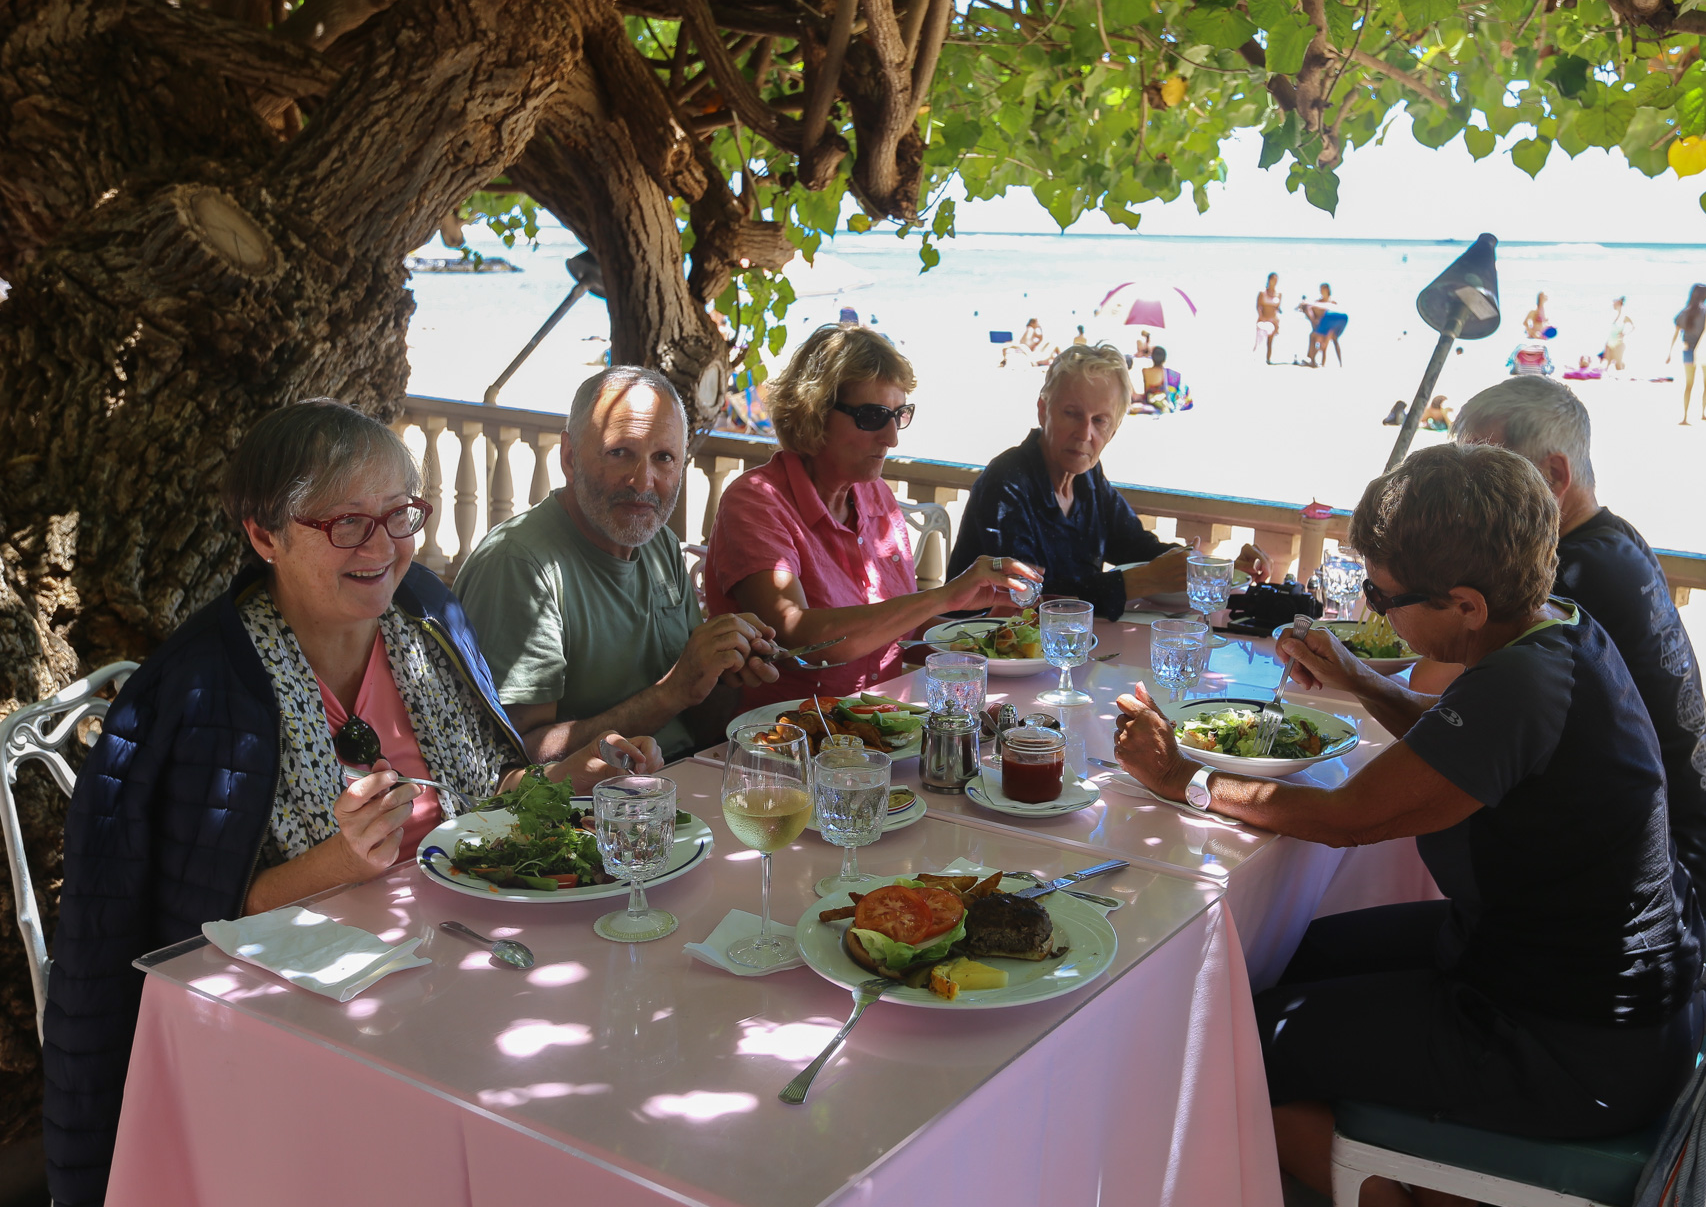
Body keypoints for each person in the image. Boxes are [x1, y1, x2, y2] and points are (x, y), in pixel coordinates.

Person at [42, 400, 660, 1206]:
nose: (384, 549)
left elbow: (482, 802)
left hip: (473, 972)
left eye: (400, 516)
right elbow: (199, 930)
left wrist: (571, 775)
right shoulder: (200, 695)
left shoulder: (426, 618)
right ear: (264, 536)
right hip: (309, 1029)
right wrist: (339, 864)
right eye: (346, 525)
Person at [1111, 445, 1702, 1204]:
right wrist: (1358, 679)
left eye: (1385, 599)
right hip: (1582, 985)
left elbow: (1346, 819)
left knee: (1236, 1043)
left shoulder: (1522, 687)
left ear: (1466, 605)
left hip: (1573, 1045)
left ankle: (1397, 1193)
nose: (1374, 612)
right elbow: (1464, 740)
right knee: (1292, 952)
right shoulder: (1556, 629)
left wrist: (1180, 777)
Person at [1449, 376, 1706, 918]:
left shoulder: (1570, 577)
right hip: (1698, 841)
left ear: (1554, 475)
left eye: (1489, 477)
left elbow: (1442, 692)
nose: (1469, 501)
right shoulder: (1614, 540)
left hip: (1661, 889)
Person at [705, 324, 1039, 708]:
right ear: (812, 412)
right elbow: (797, 638)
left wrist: (986, 636)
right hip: (791, 739)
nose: (892, 437)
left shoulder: (873, 496)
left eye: (899, 414)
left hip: (881, 728)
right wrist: (942, 598)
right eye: (872, 416)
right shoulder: (757, 502)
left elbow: (899, 633)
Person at [455, 368, 781, 762]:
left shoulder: (657, 542)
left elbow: (693, 722)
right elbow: (510, 758)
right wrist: (672, 691)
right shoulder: (519, 565)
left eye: (663, 458)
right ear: (570, 457)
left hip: (682, 782)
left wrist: (722, 675)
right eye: (619, 453)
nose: (643, 481)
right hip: (586, 812)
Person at [949, 344, 1271, 621]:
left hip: (1060, 658)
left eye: (1099, 420)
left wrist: (1220, 570)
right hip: (976, 661)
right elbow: (1027, 600)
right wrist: (1139, 582)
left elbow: (1140, 548)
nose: (1084, 433)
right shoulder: (1007, 482)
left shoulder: (1088, 478)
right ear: (1043, 410)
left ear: (1113, 430)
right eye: (1072, 413)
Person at [1668, 283, 1706, 424]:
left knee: (1689, 384)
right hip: (1705, 351)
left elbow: (1676, 333)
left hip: (1688, 350)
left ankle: (1685, 416)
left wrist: (1669, 352)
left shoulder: (1684, 312)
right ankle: (1703, 413)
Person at [1255, 272, 1284, 364]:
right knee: (1260, 339)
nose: (1275, 282)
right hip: (1263, 318)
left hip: (1274, 319)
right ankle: (1257, 357)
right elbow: (1259, 306)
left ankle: (1268, 359)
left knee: (1270, 341)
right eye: (1273, 280)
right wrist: (1261, 316)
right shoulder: (1262, 293)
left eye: (1276, 280)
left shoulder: (1279, 294)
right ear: (1269, 280)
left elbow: (1277, 307)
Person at [1603, 295, 1633, 373]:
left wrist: (1624, 334)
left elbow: (1633, 327)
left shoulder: (1624, 317)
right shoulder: (1614, 315)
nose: (1613, 305)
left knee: (1618, 367)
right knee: (1607, 367)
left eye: (1614, 303)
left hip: (1618, 345)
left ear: (1619, 304)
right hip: (1610, 344)